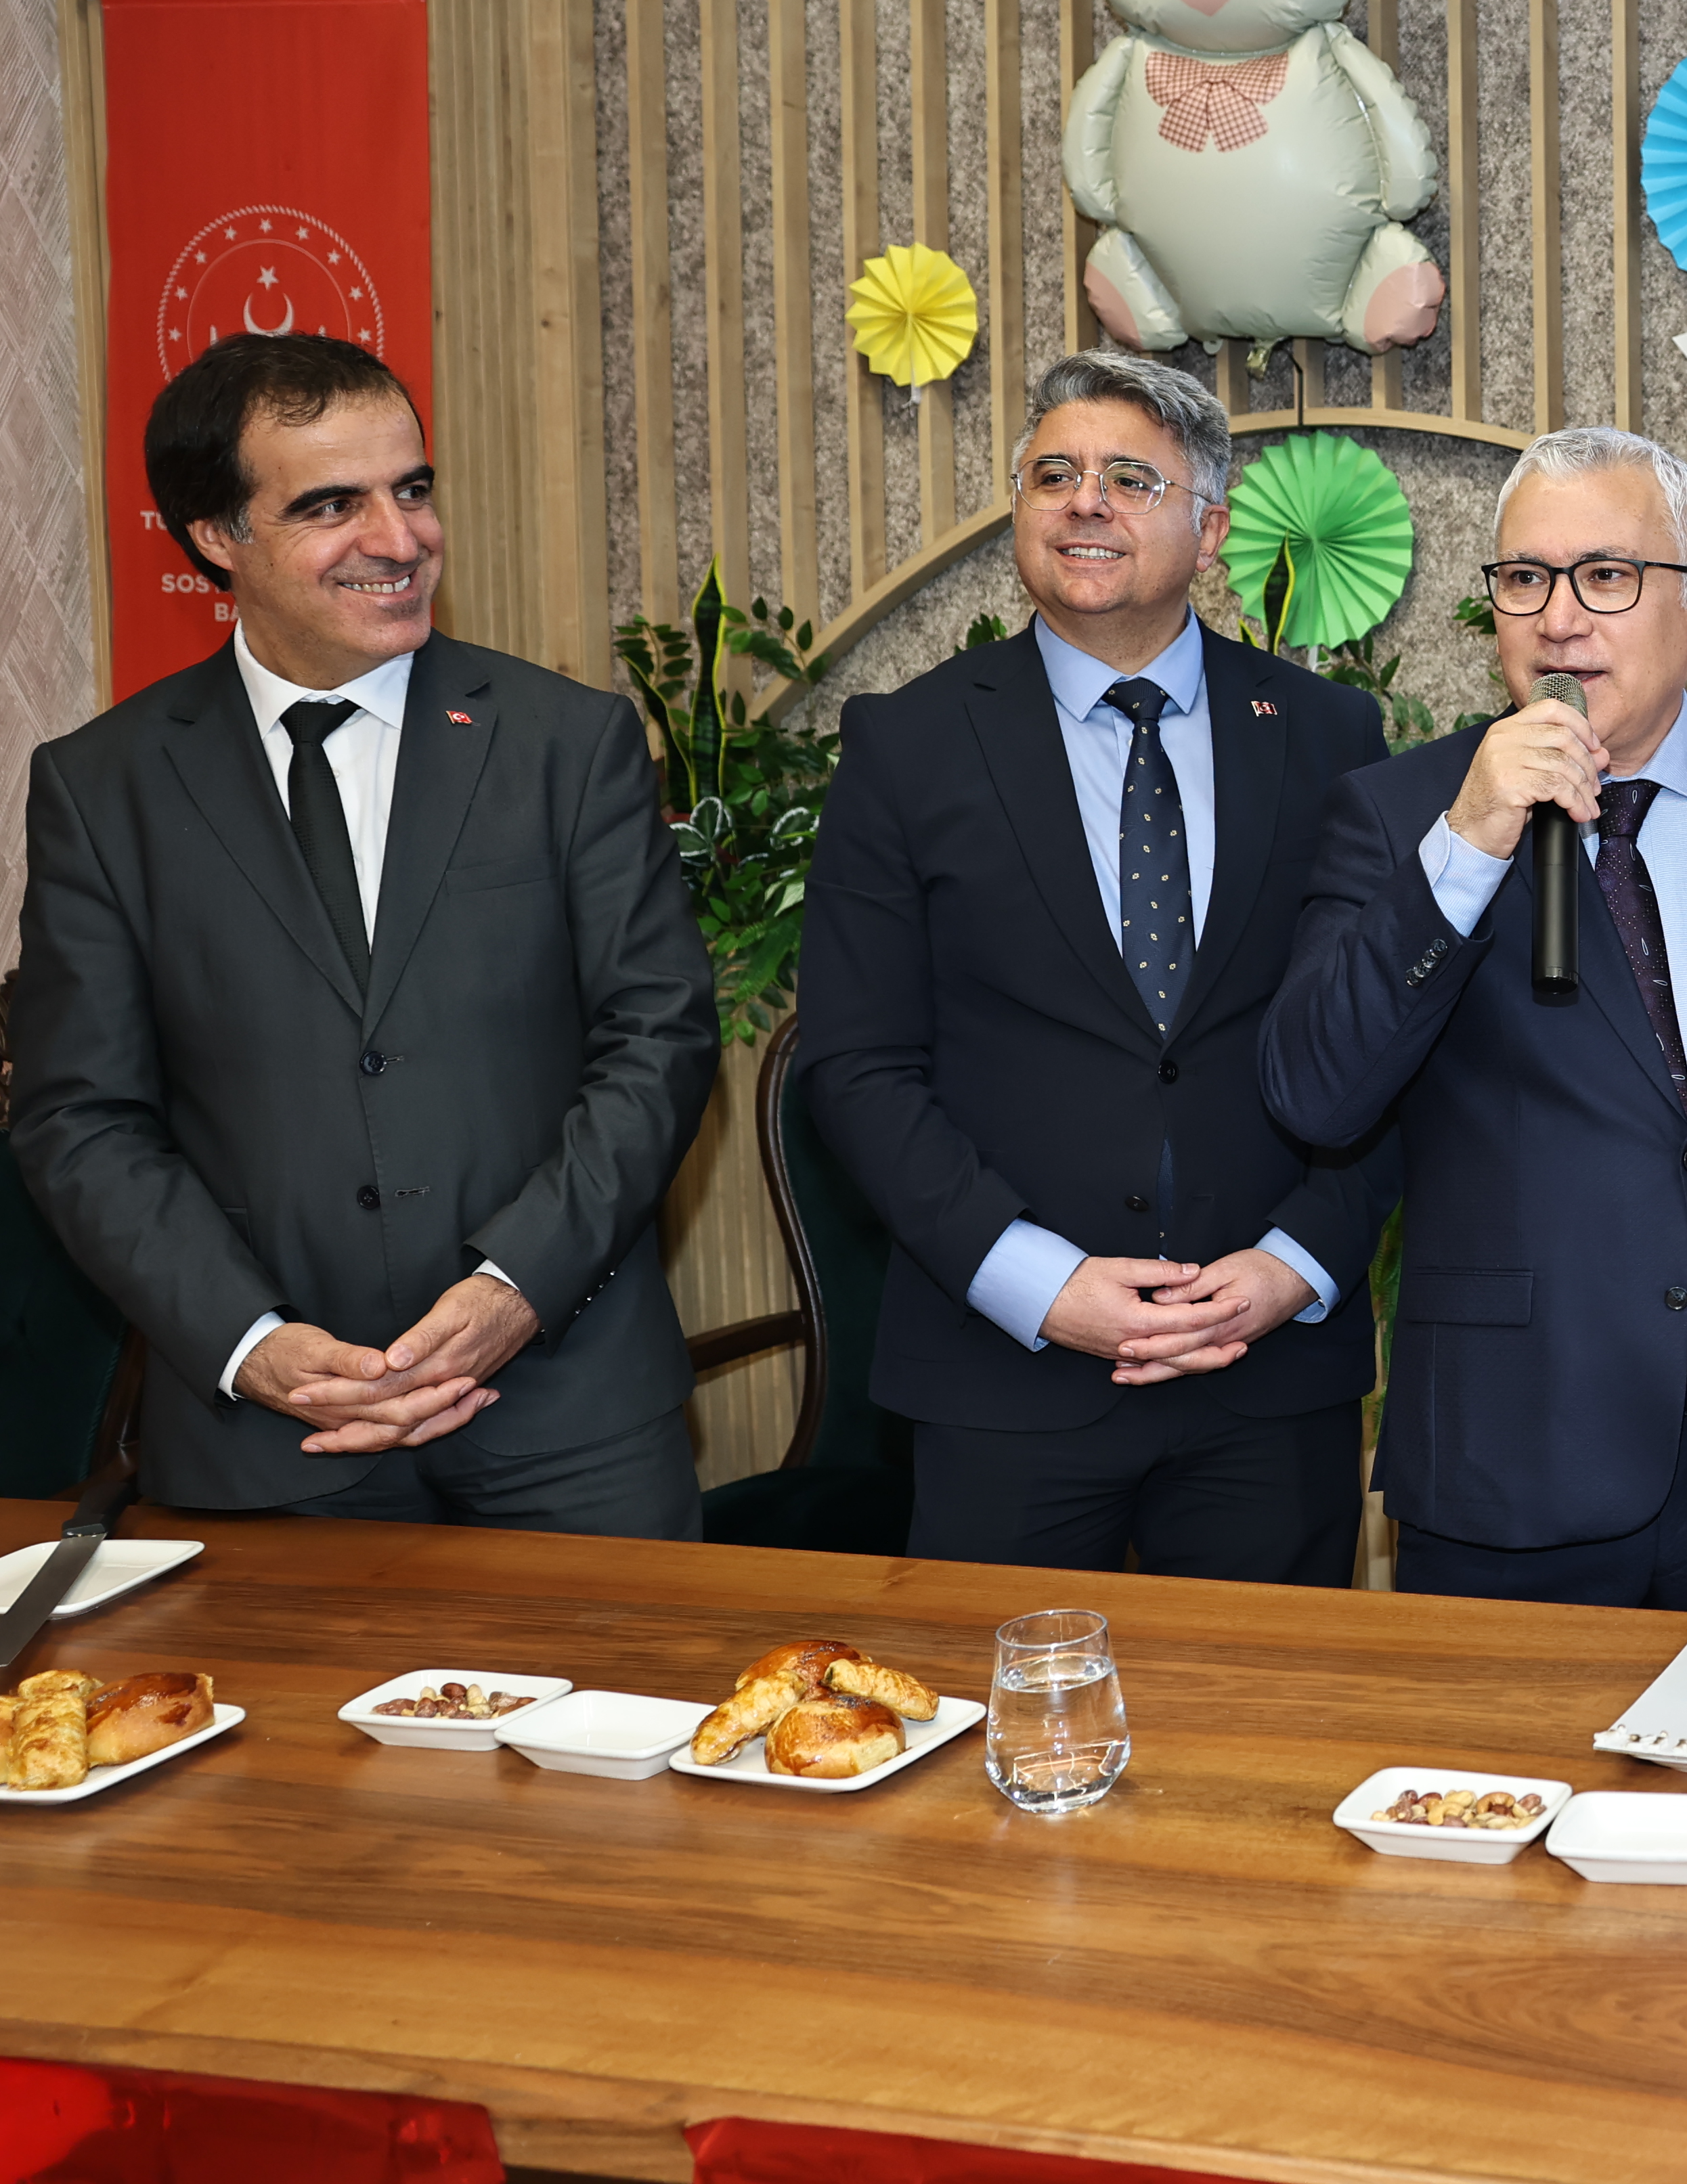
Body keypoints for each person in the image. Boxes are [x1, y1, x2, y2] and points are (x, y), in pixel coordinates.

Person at [12, 333, 717, 1532]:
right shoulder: (102, 788)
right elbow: (80, 1116)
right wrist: (252, 1343)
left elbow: (658, 1042)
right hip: (269, 1444)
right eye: (332, 505)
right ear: (215, 537)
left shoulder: (567, 745)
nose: (398, 540)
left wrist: (511, 1293)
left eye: (414, 489)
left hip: (568, 1430)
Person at [1263, 425, 1687, 1609]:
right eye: (1523, 580)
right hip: (1514, 1452)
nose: (1559, 618)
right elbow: (1314, 1088)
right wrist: (1467, 845)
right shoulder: (1403, 811)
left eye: (1606, 576)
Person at [798, 352, 1396, 1584]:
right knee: (988, 1748)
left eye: (1131, 478)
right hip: (1004, 1369)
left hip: (1265, 1369)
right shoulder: (905, 746)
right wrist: (1039, 1281)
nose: (1085, 502)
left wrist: (1296, 1267)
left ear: (1211, 528)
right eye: (1054, 475)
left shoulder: (1332, 736)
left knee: (1265, 1753)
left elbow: (1389, 1038)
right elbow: (856, 1067)